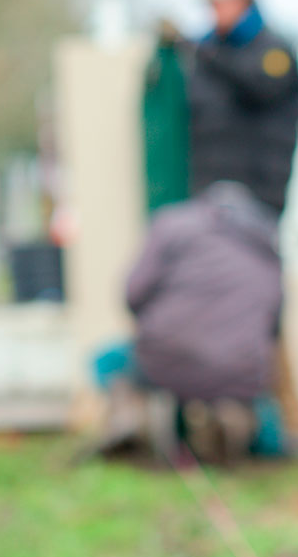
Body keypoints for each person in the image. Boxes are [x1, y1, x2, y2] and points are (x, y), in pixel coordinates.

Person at [98, 180, 286, 464]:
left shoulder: (173, 223)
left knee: (106, 361)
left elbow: (132, 294)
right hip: (243, 372)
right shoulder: (267, 245)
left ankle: (131, 417)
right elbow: (274, 325)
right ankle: (240, 426)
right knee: (253, 390)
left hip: (167, 358)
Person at [188, 0, 298, 216]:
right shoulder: (209, 52)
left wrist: (211, 57)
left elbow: (260, 88)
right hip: (209, 192)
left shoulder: (274, 51)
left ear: (243, 1)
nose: (215, 12)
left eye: (220, 2)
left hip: (259, 195)